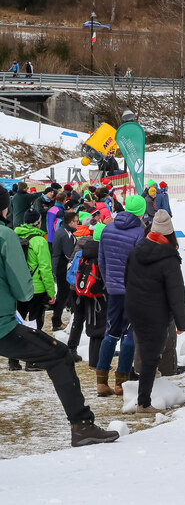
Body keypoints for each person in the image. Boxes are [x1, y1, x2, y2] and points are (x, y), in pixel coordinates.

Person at [0, 187, 119, 447]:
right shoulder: (5, 235)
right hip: (3, 325)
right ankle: (82, 425)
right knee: (60, 355)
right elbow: (23, 289)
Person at [125, 210, 185, 414]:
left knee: (146, 352)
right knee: (151, 357)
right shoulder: (169, 258)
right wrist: (181, 322)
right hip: (156, 313)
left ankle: (143, 398)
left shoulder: (136, 251)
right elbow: (176, 293)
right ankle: (143, 404)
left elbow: (127, 280)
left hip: (135, 309)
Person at [96, 194, 146, 396]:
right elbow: (142, 266)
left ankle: (101, 381)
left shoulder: (107, 229)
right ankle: (121, 382)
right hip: (133, 291)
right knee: (131, 333)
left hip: (114, 290)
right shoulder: (140, 233)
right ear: (141, 212)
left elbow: (101, 260)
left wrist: (109, 282)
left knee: (111, 332)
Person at [10, 211, 56, 370]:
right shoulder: (39, 241)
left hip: (18, 285)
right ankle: (31, 361)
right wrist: (51, 292)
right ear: (38, 223)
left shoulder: (14, 236)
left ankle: (13, 360)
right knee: (35, 324)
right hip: (36, 288)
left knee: (17, 323)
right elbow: (45, 268)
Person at [70, 222, 108, 369]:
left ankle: (93, 361)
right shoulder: (101, 252)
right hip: (99, 296)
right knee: (100, 328)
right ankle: (97, 363)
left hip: (82, 293)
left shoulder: (85, 250)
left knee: (91, 327)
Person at [51, 212, 78, 336]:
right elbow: (69, 254)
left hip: (60, 266)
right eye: (76, 221)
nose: (77, 223)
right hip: (62, 267)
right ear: (71, 222)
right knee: (63, 294)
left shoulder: (63, 230)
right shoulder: (65, 234)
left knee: (65, 294)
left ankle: (66, 316)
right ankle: (56, 321)